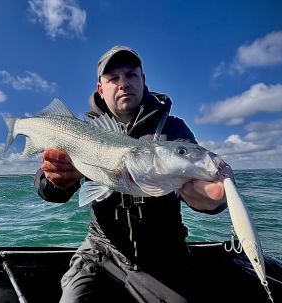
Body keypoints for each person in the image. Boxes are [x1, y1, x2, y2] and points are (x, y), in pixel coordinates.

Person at [34, 46, 233, 302]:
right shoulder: (81, 131)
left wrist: (212, 201)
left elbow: (201, 178)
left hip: (163, 256)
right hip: (100, 250)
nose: (123, 83)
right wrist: (56, 182)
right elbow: (46, 188)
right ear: (100, 89)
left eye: (131, 75)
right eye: (113, 78)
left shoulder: (173, 129)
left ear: (143, 80)